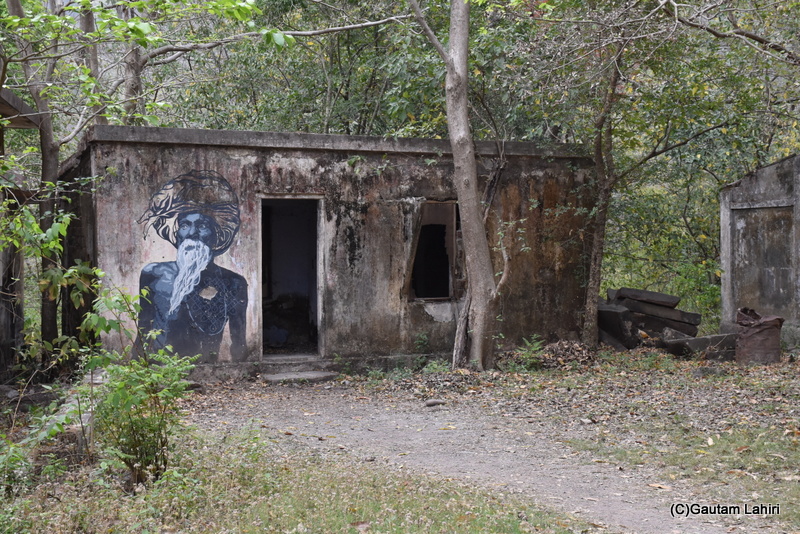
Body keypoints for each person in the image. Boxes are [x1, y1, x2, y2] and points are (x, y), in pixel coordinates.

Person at [136, 170, 247, 362]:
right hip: (158, 369)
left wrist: (242, 372)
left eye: (203, 226)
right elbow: (144, 326)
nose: (192, 233)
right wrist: (136, 366)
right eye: (185, 225)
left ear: (216, 234)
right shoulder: (153, 273)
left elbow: (239, 340)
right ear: (177, 233)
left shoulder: (233, 282)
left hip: (207, 369)